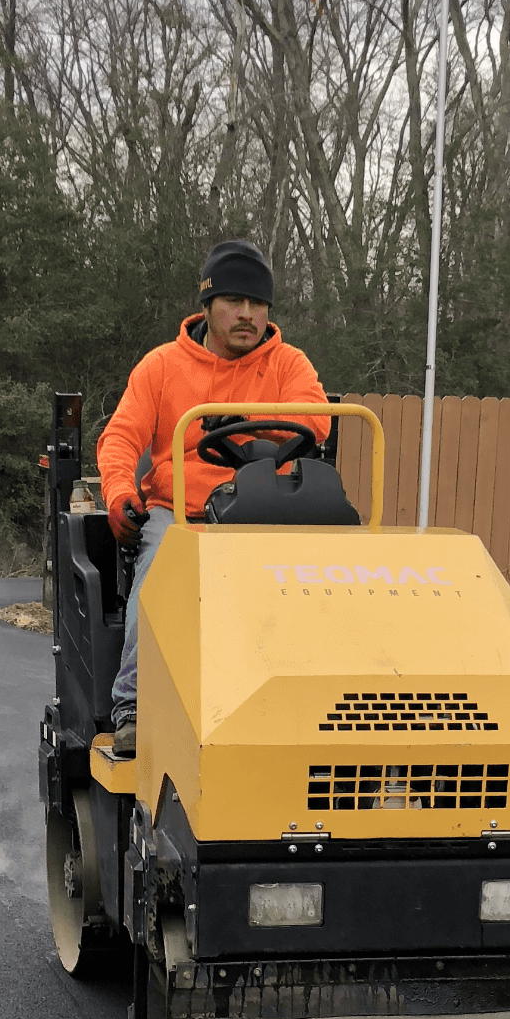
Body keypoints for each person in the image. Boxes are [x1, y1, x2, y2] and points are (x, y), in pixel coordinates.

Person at [97, 240, 329, 756]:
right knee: (155, 588)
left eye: (258, 305)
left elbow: (315, 419)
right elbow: (120, 439)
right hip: (181, 514)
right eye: (234, 302)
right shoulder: (160, 367)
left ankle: (310, 703)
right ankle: (133, 705)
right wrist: (118, 492)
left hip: (265, 511)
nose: (247, 315)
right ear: (207, 306)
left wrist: (249, 438)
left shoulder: (289, 364)